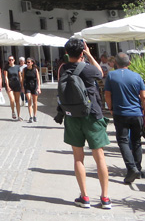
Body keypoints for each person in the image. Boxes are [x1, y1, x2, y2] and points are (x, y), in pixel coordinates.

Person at [61, 38, 111, 209]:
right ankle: (105, 198)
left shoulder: (63, 69)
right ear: (82, 52)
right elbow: (101, 73)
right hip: (93, 115)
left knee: (78, 158)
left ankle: (85, 197)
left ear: (67, 54)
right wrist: (89, 55)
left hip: (72, 116)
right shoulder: (90, 69)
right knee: (100, 157)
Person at [104, 52, 145, 184]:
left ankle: (131, 168)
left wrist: (111, 108)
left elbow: (107, 95)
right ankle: (138, 169)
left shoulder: (112, 75)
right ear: (129, 63)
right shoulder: (137, 76)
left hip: (120, 113)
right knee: (136, 142)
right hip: (136, 114)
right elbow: (144, 97)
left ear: (115, 64)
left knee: (123, 141)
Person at [21, 57, 41, 123]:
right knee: (29, 100)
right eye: (27, 62)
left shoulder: (35, 70)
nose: (27, 63)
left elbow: (38, 79)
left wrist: (39, 88)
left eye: (29, 62)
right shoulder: (24, 70)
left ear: (32, 63)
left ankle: (35, 115)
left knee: (35, 102)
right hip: (27, 86)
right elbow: (23, 79)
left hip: (34, 86)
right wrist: (22, 87)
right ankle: (31, 116)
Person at [3, 55, 23, 120]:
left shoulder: (17, 67)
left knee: (17, 101)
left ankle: (19, 115)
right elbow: (6, 77)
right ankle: (13, 111)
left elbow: (20, 76)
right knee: (12, 99)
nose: (10, 61)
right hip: (10, 85)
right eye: (9, 60)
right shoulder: (6, 67)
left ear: (14, 60)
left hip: (17, 84)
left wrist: (22, 85)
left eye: (12, 59)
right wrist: (7, 86)